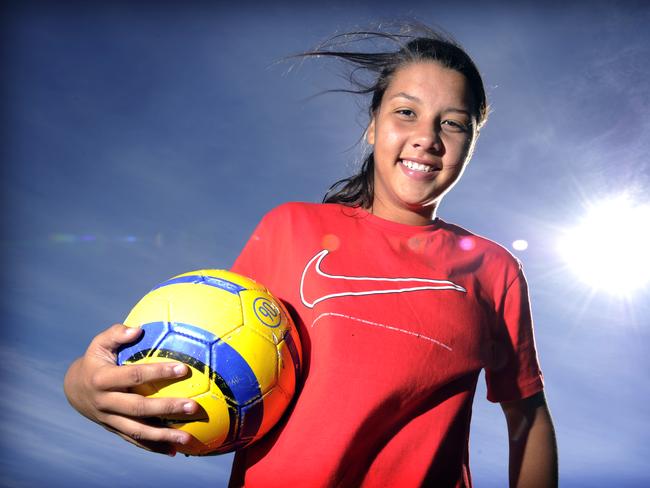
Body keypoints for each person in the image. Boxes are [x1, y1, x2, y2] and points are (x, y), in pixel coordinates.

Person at [64, 24, 558, 488]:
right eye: (405, 112)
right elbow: (203, 356)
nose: (427, 137)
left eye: (452, 124)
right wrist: (81, 388)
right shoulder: (291, 227)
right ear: (372, 126)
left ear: (469, 145)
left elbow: (528, 417)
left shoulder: (494, 269)